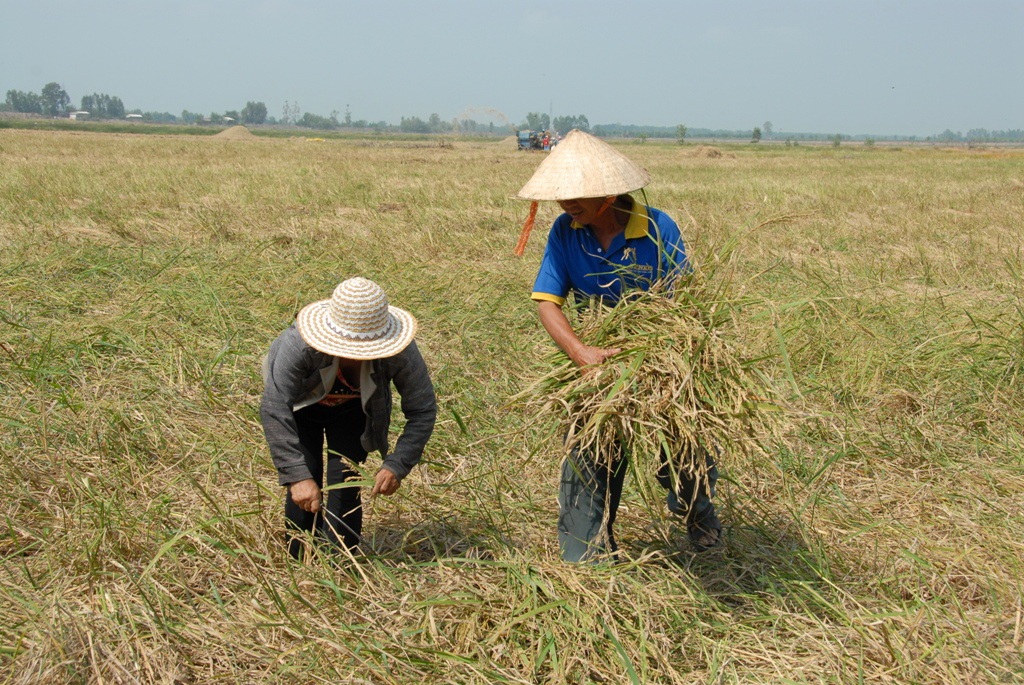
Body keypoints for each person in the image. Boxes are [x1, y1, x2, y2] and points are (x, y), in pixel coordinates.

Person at [515, 129, 721, 562]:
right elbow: (548, 303)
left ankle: (699, 517)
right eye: (561, 194)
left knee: (686, 445)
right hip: (595, 355)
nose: (566, 202)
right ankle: (585, 556)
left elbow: (685, 301)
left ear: (608, 193)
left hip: (662, 351)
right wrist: (580, 353)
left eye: (578, 194)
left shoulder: (658, 227)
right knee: (588, 450)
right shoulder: (565, 231)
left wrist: (661, 354)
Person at [260, 277, 437, 559]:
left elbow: (423, 408)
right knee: (306, 480)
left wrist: (398, 463)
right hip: (302, 407)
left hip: (354, 409)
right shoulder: (298, 345)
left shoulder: (400, 351)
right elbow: (274, 406)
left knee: (345, 483)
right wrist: (296, 476)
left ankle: (342, 564)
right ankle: (298, 560)